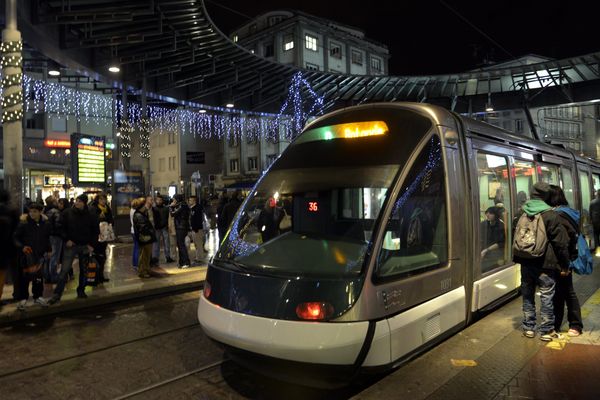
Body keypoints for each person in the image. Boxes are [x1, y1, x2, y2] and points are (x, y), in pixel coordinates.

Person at [513, 182, 571, 341]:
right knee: (546, 296)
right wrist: (565, 265)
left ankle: (528, 328)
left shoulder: (521, 212)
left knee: (527, 295)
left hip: (526, 262)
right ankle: (546, 330)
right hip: (546, 264)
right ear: (546, 197)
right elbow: (561, 243)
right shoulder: (551, 215)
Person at [48, 194, 99, 304]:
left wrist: (92, 245)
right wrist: (66, 239)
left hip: (85, 246)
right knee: (64, 270)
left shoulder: (91, 213)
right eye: (76, 201)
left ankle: (81, 290)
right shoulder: (67, 213)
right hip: (71, 246)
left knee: (84, 270)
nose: (77, 203)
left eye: (80, 201)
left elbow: (95, 230)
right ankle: (57, 294)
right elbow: (60, 227)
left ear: (84, 203)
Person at [548, 185, 583, 337]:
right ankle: (566, 324)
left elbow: (560, 242)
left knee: (564, 292)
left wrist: (564, 264)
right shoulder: (568, 211)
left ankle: (573, 325)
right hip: (566, 257)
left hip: (561, 259)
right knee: (564, 291)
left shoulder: (558, 215)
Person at [13, 203, 52, 310]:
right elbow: (15, 238)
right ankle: (23, 298)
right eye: (30, 211)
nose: (32, 213)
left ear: (40, 212)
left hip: (39, 255)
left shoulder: (45, 224)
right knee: (25, 278)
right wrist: (22, 247)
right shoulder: (24, 224)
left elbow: (46, 238)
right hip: (27, 256)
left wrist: (49, 250)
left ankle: (38, 296)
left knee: (38, 278)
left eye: (35, 211)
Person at [0, 189, 20, 308]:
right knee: (8, 273)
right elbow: (16, 231)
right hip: (8, 248)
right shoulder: (11, 211)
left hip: (5, 248)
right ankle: (16, 294)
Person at [89, 193, 113, 282]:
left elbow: (111, 219)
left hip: (105, 235)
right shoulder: (93, 208)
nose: (103, 201)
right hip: (96, 236)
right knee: (97, 256)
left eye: (104, 199)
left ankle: (101, 276)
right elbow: (92, 221)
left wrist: (108, 221)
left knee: (103, 256)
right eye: (101, 199)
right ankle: (95, 277)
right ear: (97, 200)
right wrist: (99, 218)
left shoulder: (107, 208)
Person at [132, 197, 156, 278]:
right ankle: (142, 271)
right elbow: (143, 227)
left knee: (147, 255)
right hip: (145, 238)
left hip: (147, 237)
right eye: (144, 206)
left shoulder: (142, 214)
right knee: (143, 255)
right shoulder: (139, 215)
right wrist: (150, 232)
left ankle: (146, 269)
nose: (145, 207)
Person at [43, 196, 62, 284]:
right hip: (55, 236)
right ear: (53, 202)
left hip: (46, 236)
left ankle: (47, 276)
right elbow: (58, 225)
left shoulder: (44, 211)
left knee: (47, 257)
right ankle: (53, 276)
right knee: (54, 256)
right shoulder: (56, 212)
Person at [170, 194, 191, 269]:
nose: (173, 201)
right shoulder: (183, 205)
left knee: (181, 245)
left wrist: (171, 207)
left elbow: (173, 214)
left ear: (177, 199)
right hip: (181, 227)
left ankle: (186, 262)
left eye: (174, 199)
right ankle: (182, 262)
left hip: (181, 227)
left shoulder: (182, 206)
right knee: (180, 245)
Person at [152, 195, 174, 264]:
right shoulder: (153, 209)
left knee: (167, 243)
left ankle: (168, 257)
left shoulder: (166, 209)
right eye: (157, 200)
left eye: (160, 200)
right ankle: (155, 258)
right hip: (157, 228)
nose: (159, 201)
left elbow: (169, 218)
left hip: (165, 227)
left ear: (162, 201)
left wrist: (169, 226)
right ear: (155, 200)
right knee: (156, 243)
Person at [188, 195, 206, 263]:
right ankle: (198, 256)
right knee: (196, 244)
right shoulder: (192, 208)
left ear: (194, 201)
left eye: (190, 200)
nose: (189, 201)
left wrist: (196, 228)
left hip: (197, 229)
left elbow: (198, 219)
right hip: (194, 229)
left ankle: (200, 258)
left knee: (199, 244)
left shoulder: (197, 208)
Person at [130, 202, 139, 270]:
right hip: (136, 231)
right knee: (137, 248)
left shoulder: (131, 210)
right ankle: (136, 264)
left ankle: (134, 264)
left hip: (133, 231)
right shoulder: (135, 212)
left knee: (135, 247)